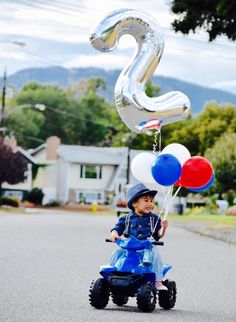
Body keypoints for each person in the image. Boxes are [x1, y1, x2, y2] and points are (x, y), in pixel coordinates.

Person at [109, 183, 168, 291]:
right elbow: (117, 228)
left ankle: (158, 281)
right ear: (135, 203)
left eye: (151, 201)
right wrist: (114, 234)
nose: (150, 204)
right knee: (117, 253)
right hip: (130, 248)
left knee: (156, 254)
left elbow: (158, 235)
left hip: (146, 248)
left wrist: (163, 229)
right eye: (146, 201)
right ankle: (111, 275)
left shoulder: (154, 219)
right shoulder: (126, 218)